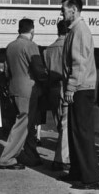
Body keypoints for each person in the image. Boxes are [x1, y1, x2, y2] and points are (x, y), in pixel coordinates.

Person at [59, 0, 99, 190]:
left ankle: (93, 178)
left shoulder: (79, 30)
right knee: (76, 132)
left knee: (83, 133)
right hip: (81, 87)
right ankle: (78, 172)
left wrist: (71, 87)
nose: (61, 13)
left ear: (73, 10)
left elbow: (79, 62)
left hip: (81, 89)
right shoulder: (75, 30)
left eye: (63, 10)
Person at [0, 18, 48, 169]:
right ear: (32, 30)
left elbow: (7, 71)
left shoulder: (10, 46)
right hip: (28, 90)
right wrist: (48, 78)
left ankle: (30, 155)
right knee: (22, 125)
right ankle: (6, 158)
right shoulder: (31, 45)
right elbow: (39, 70)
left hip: (14, 88)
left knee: (25, 124)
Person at [43, 20, 70, 171]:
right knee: (67, 125)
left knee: (60, 124)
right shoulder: (70, 46)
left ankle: (62, 156)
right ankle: (62, 158)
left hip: (52, 88)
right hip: (66, 87)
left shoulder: (48, 50)